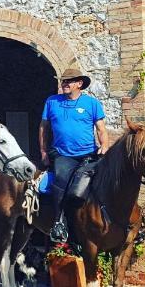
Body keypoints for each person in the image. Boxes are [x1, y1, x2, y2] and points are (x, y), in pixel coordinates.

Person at [39, 67, 109, 243]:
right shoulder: (52, 102)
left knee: (101, 182)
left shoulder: (91, 104)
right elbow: (43, 128)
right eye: (63, 81)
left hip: (88, 154)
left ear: (79, 84)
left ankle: (105, 218)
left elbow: (101, 129)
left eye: (68, 81)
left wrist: (105, 145)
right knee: (61, 183)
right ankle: (59, 222)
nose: (64, 84)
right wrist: (43, 151)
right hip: (63, 154)